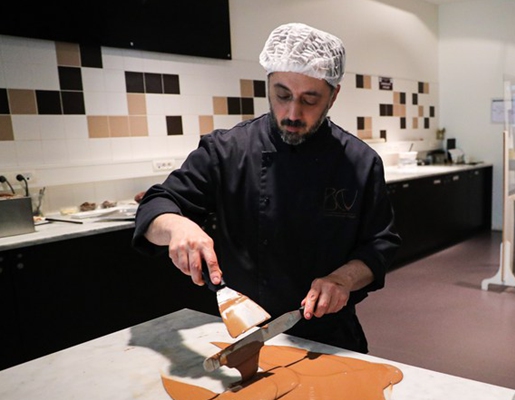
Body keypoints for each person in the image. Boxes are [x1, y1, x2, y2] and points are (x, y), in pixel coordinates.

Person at [132, 23, 401, 353]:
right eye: (282, 95)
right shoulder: (228, 150)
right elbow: (156, 205)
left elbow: (380, 244)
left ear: (334, 95)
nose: (292, 112)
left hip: (328, 336)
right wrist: (177, 227)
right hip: (238, 335)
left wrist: (342, 280)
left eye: (310, 99)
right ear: (268, 85)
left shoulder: (360, 162)